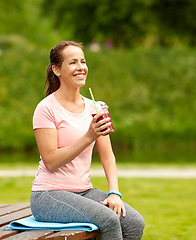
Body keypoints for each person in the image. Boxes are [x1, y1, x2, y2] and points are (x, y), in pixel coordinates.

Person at [30, 41, 145, 239]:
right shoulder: (46, 109)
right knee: (109, 220)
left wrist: (114, 193)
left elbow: (108, 157)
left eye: (83, 61)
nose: (81, 67)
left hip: (84, 191)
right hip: (48, 195)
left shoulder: (96, 108)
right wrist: (88, 136)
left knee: (134, 222)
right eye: (73, 62)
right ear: (57, 70)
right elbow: (51, 161)